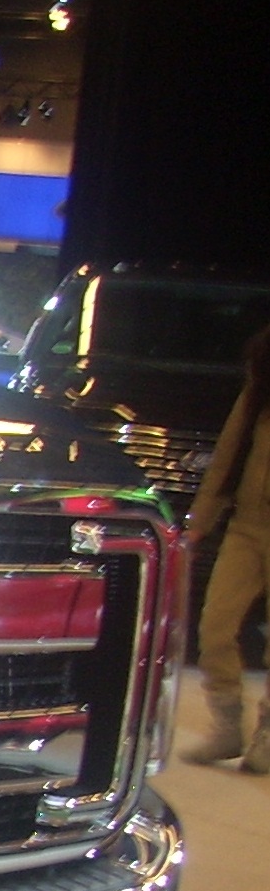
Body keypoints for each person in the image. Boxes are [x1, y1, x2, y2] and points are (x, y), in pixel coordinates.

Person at [182, 324, 270, 770]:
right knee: (215, 625)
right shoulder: (259, 387)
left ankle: (267, 736)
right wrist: (198, 525)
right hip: (247, 526)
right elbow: (228, 458)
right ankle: (226, 725)